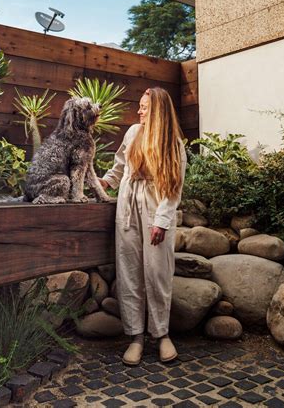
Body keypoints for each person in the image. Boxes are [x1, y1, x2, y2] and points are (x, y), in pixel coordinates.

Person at [98, 87, 187, 366]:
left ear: (158, 110)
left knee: (157, 273)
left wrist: (161, 221)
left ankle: (161, 334)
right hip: (127, 207)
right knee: (129, 271)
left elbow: (174, 187)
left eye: (144, 107)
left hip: (155, 206)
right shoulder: (133, 132)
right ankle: (135, 337)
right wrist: (104, 183)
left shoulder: (173, 143)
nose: (139, 111)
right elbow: (119, 166)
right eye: (140, 106)